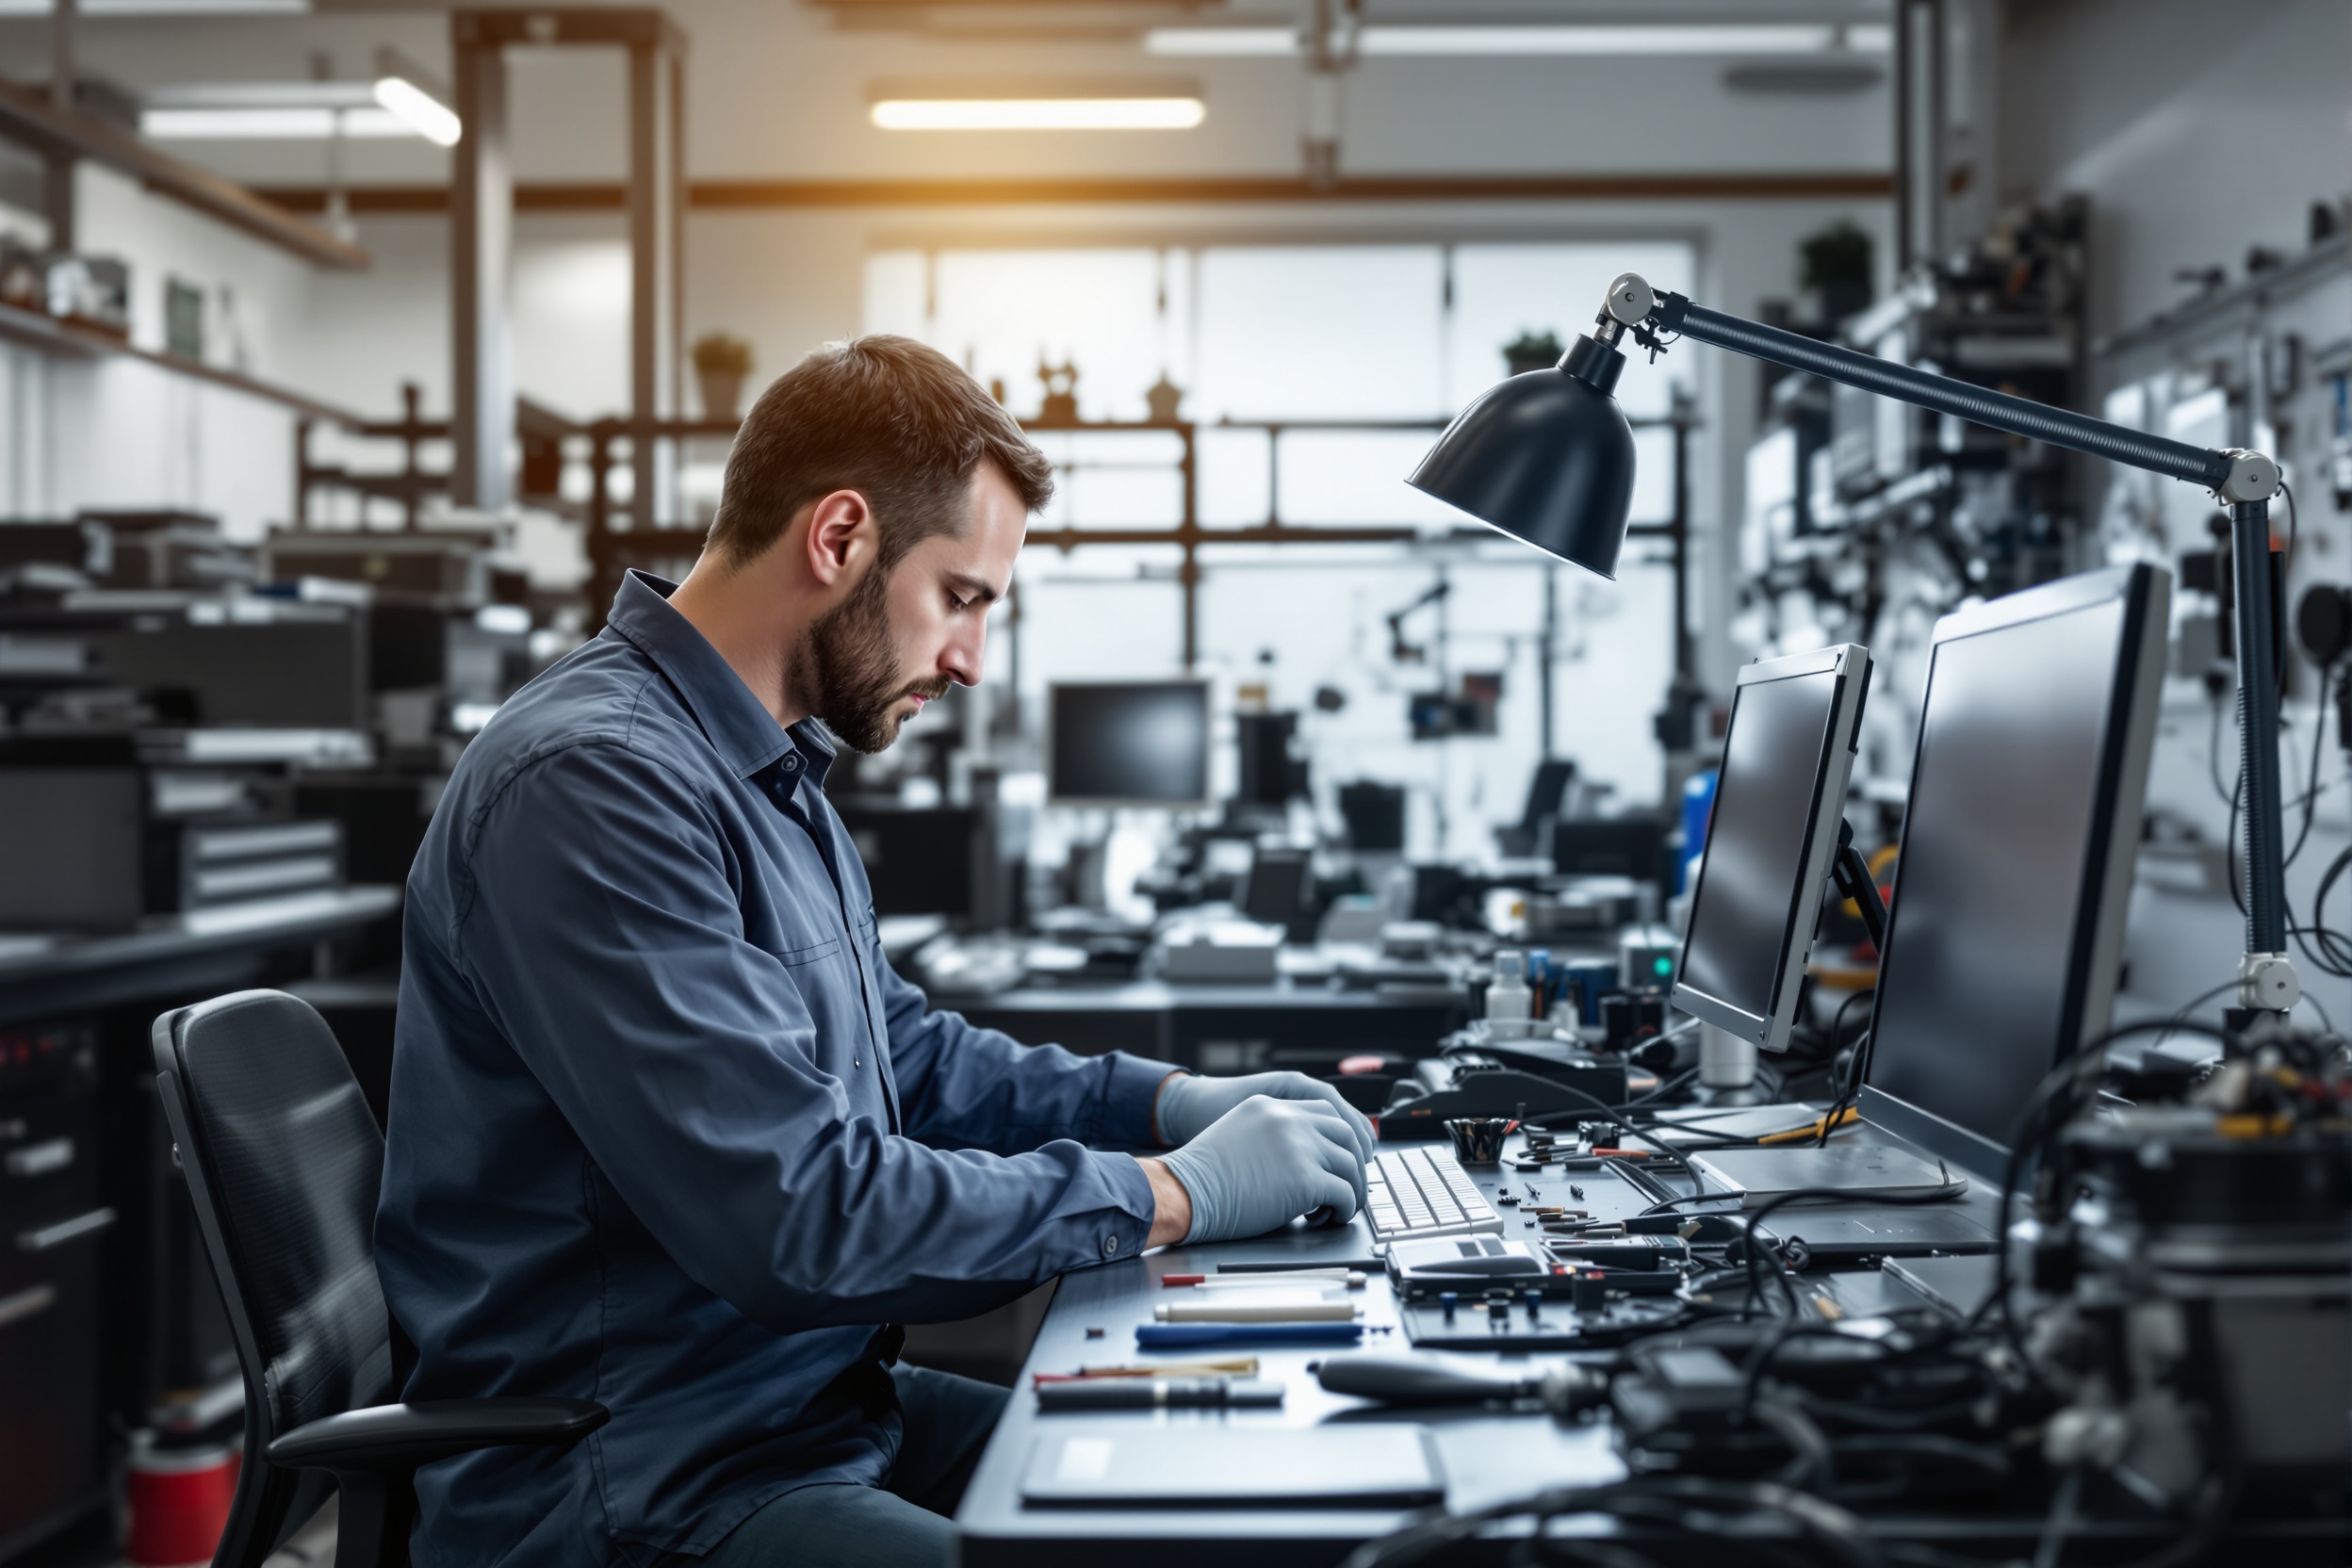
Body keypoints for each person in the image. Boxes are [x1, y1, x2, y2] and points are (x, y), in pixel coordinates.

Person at [376, 335, 1376, 1568]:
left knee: (1211, 1495)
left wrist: (1166, 1103)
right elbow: (800, 1218)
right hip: (636, 1477)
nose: (969, 662)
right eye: (961, 598)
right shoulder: (595, 785)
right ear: (839, 537)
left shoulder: (764, 772)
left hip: (809, 1415)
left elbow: (909, 1060)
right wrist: (1175, 1195)